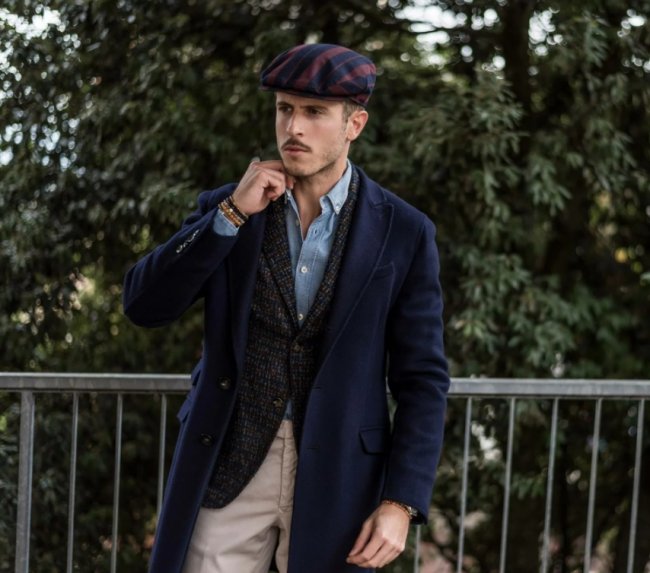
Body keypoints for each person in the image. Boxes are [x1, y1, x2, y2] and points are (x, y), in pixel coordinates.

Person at [123, 43, 449, 573]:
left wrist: (401, 501)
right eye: (285, 109)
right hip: (228, 463)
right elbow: (144, 304)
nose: (294, 127)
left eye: (315, 112)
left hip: (339, 475)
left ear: (354, 124)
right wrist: (230, 215)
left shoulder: (404, 231)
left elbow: (423, 379)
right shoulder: (232, 206)